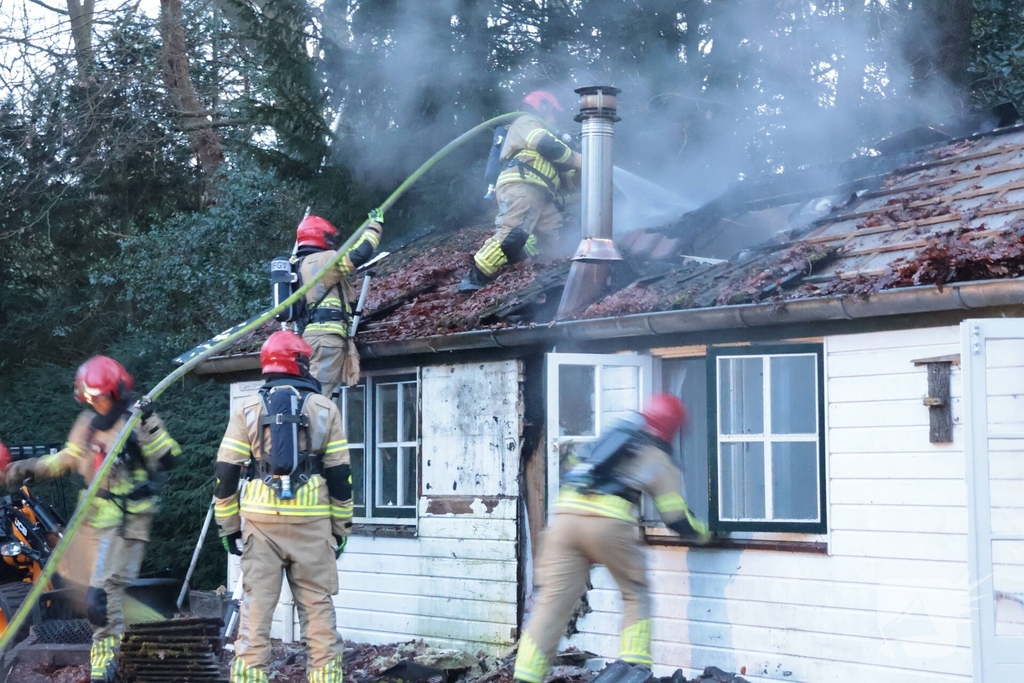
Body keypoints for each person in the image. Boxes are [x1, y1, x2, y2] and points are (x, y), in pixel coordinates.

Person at [5, 356, 181, 683]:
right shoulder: (88, 423)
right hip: (93, 521)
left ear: (117, 391)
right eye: (90, 397)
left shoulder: (135, 420)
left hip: (126, 523)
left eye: (100, 396)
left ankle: (105, 669)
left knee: (101, 597)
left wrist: (150, 421)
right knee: (79, 588)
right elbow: (66, 459)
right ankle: (141, 643)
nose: (95, 402)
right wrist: (24, 466)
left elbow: (167, 458)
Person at [512, 394, 711, 683]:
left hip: (564, 521)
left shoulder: (609, 437)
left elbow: (570, 467)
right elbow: (676, 517)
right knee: (634, 591)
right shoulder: (656, 455)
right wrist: (707, 532)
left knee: (551, 604)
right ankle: (632, 669)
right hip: (607, 526)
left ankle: (525, 676)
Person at [214, 330, 352, 683]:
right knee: (318, 610)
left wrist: (229, 528)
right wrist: (341, 529)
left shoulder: (245, 408)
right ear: (302, 364)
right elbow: (340, 476)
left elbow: (226, 474)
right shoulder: (326, 409)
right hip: (312, 525)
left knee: (256, 611)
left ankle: (248, 678)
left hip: (261, 524)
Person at [459, 90, 583, 292]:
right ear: (543, 107)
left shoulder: (548, 144)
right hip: (521, 186)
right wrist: (579, 159)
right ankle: (474, 280)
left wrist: (583, 173)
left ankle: (550, 282)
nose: (554, 119)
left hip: (542, 196)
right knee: (512, 234)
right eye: (553, 113)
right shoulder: (526, 122)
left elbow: (566, 182)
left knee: (555, 241)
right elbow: (546, 145)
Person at [294, 210, 384, 401]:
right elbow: (360, 253)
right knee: (318, 399)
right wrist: (375, 225)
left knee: (312, 393)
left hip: (311, 338)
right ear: (321, 237)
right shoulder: (322, 261)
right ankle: (314, 430)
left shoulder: (299, 265)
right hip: (327, 340)